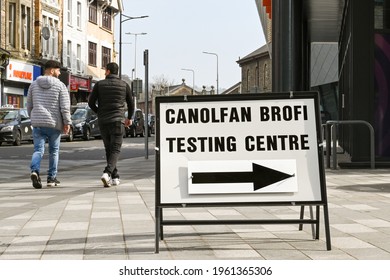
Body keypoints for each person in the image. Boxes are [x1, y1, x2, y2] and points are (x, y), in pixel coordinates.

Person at [27, 60, 71, 189]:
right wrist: (67, 122)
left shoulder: (34, 85)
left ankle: (35, 171)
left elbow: (29, 105)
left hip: (38, 123)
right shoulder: (60, 86)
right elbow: (64, 107)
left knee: (38, 150)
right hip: (53, 123)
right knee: (54, 151)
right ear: (52, 70)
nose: (59, 72)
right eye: (58, 70)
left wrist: (33, 117)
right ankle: (51, 178)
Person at [88, 62, 134, 187]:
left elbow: (91, 102)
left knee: (109, 149)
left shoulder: (99, 85)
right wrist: (129, 118)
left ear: (108, 71)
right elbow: (131, 103)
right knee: (115, 149)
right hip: (118, 121)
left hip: (103, 121)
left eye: (105, 70)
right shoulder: (124, 85)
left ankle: (115, 176)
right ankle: (107, 173)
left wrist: (99, 112)